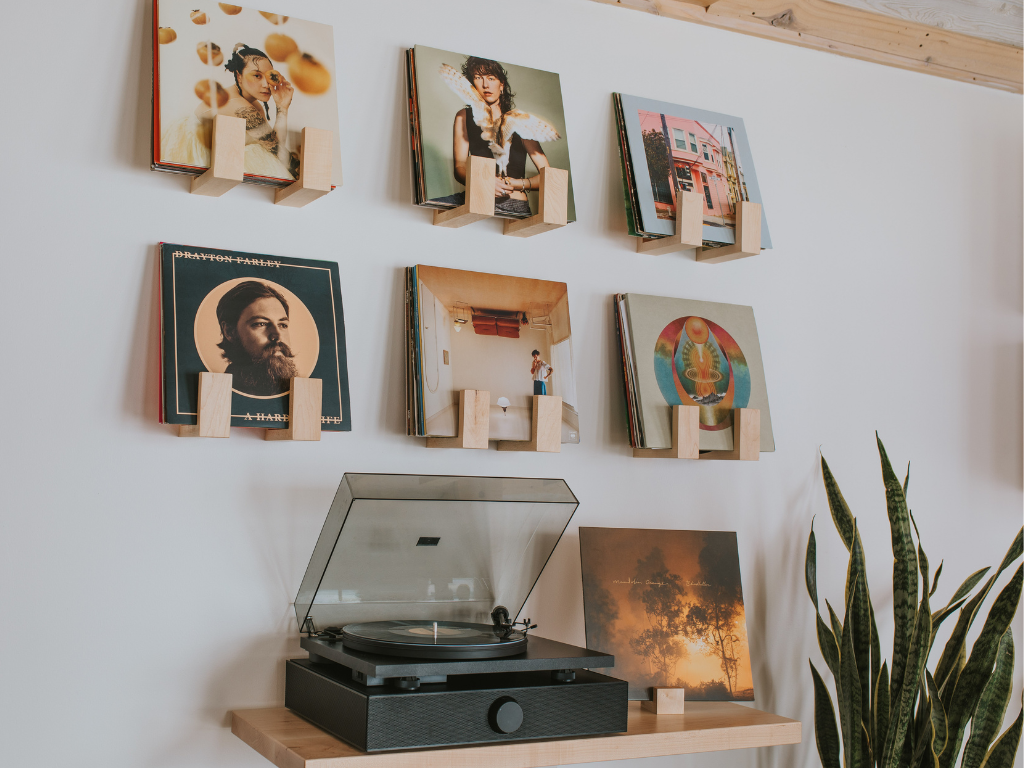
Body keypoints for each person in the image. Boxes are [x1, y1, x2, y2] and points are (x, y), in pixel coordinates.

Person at [436, 57, 559, 216]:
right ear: (472, 85)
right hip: (476, 196)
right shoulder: (464, 116)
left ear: (502, 85)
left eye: (491, 78)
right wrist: (483, 181)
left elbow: (549, 177)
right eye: (478, 78)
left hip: (512, 203)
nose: (485, 85)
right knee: (433, 207)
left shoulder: (517, 121)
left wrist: (513, 183)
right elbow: (460, 167)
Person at [162, 43, 297, 180]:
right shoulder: (239, 106)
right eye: (257, 76)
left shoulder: (253, 104)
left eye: (268, 76)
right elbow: (278, 153)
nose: (265, 84)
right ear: (239, 76)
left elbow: (276, 147)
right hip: (193, 159)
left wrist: (282, 107)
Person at [216, 281, 298, 396]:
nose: (278, 336)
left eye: (283, 325)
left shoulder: (299, 394)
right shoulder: (218, 393)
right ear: (230, 332)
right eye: (261, 324)